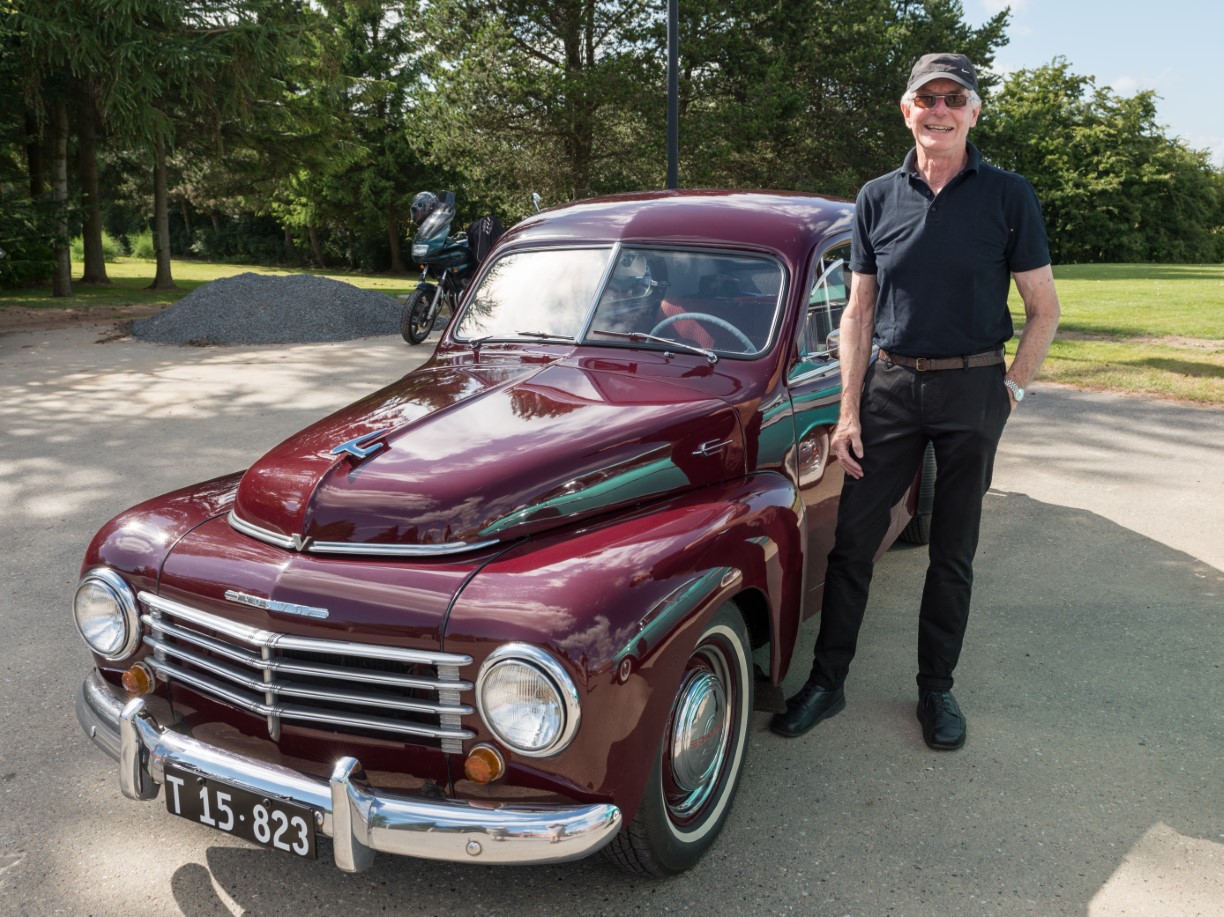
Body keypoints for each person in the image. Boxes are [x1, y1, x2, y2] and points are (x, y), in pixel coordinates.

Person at [771, 53, 1061, 750]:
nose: (939, 110)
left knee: (952, 553)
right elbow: (858, 312)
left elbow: (1044, 309)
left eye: (952, 98)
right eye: (925, 98)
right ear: (907, 111)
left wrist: (1011, 389)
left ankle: (937, 690)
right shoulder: (877, 197)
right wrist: (847, 411)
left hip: (973, 389)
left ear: (973, 112)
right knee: (851, 546)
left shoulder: (1008, 194)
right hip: (891, 390)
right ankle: (827, 682)